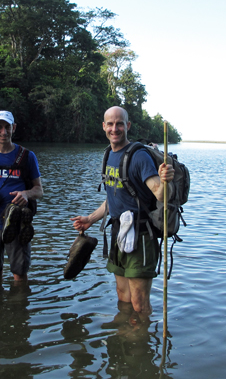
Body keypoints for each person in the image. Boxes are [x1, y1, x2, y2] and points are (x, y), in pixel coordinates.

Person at [71, 106, 174, 318]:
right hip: (118, 232)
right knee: (122, 296)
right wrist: (90, 219)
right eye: (110, 124)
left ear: (127, 126)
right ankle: (124, 339)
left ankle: (141, 344)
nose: (114, 128)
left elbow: (160, 194)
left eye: (119, 124)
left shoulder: (139, 157)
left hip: (141, 235)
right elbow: (113, 196)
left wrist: (166, 180)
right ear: (103, 127)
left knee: (139, 302)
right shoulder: (108, 155)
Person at [0, 110, 43, 283]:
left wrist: (26, 194)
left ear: (14, 128)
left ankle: (18, 307)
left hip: (17, 224)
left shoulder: (27, 157)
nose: (3, 132)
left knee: (19, 274)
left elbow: (39, 190)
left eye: (7, 127)